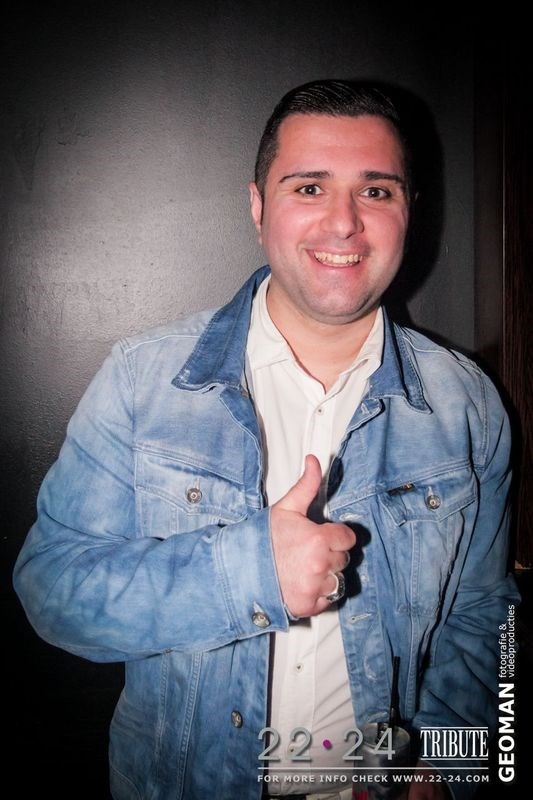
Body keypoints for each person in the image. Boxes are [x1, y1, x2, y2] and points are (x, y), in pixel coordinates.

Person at [13, 79, 519, 800]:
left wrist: (454, 762)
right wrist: (248, 576)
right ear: (257, 207)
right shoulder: (144, 380)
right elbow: (52, 589)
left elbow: (490, 616)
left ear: (409, 209)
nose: (343, 223)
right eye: (309, 188)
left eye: (375, 191)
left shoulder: (466, 404)